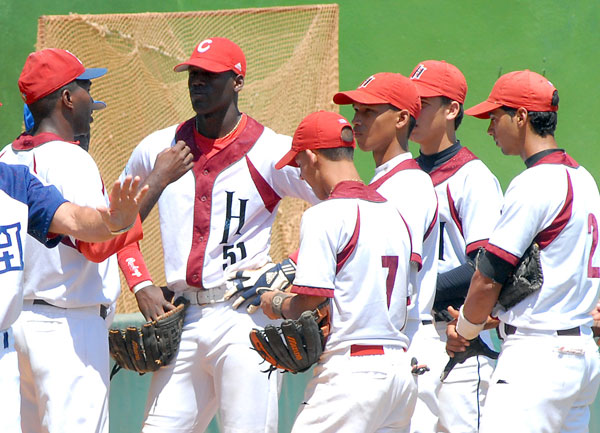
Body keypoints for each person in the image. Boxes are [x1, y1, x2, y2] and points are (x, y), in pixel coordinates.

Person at [118, 37, 317, 433]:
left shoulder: (269, 150)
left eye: (209, 76)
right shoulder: (158, 149)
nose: (197, 83)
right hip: (184, 317)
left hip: (243, 315)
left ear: (237, 81)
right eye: (193, 74)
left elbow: (340, 206)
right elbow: (118, 222)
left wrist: (293, 266)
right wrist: (139, 282)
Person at [0, 48, 147, 433]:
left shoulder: (6, 158)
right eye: (84, 86)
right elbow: (95, 244)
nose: (89, 97)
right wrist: (154, 186)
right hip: (69, 330)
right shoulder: (72, 159)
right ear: (67, 98)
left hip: (15, 331)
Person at [447, 69, 600, 433]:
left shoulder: (534, 183)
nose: (489, 128)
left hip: (536, 360)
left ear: (521, 116)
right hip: (580, 358)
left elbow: (488, 276)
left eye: (495, 117)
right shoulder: (585, 180)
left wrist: (466, 329)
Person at [258, 110, 417, 432]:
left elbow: (309, 300)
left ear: (311, 156)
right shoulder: (394, 214)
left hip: (352, 376)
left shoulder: (324, 215)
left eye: (299, 164)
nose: (300, 175)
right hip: (400, 374)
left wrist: (275, 302)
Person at [333, 72, 442, 433]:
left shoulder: (409, 183)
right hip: (392, 341)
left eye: (368, 111)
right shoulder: (382, 183)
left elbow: (395, 278)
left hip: (408, 338)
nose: (357, 120)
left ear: (400, 119)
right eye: (356, 111)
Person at [409, 60, 503, 432]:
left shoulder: (473, 178)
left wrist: (416, 294)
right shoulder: (405, 176)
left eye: (424, 102)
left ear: (452, 110)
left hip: (458, 339)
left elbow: (484, 266)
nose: (412, 110)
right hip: (414, 335)